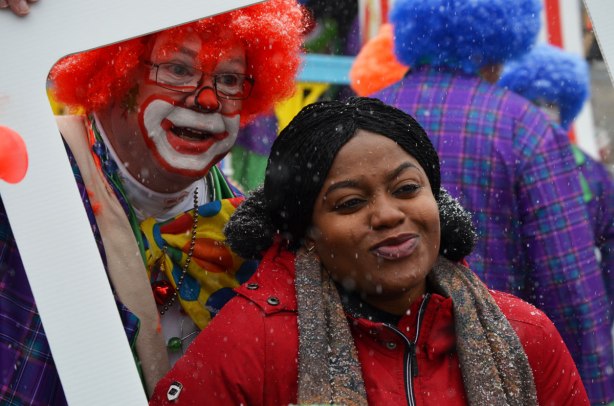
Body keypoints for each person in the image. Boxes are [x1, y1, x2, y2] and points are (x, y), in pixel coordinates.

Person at [149, 97, 589, 405]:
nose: (387, 215)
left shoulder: (523, 334)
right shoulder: (249, 346)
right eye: (350, 203)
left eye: (406, 189)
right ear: (305, 233)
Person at [0, 1, 305, 403]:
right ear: (116, 73)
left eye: (230, 79)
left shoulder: (249, 228)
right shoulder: (23, 168)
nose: (208, 100)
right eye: (178, 70)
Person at [371, 0, 614, 403]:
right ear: (504, 37)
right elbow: (566, 280)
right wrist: (594, 385)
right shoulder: (524, 127)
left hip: (380, 364)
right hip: (496, 367)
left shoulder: (363, 116)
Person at [498, 42, 614, 319]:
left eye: (551, 103)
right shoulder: (504, 163)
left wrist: (603, 305)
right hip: (512, 308)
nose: (544, 111)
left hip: (572, 309)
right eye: (533, 102)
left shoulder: (592, 173)